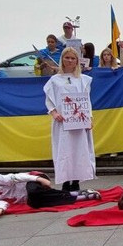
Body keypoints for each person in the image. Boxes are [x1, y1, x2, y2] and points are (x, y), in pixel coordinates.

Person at [43, 47, 96, 192]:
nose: (70, 61)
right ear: (62, 59)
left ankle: (77, 180)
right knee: (65, 150)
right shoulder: (54, 80)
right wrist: (54, 113)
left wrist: (89, 118)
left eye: (73, 58)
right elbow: (49, 99)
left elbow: (86, 100)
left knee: (79, 150)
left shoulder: (83, 80)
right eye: (67, 58)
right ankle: (66, 180)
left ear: (77, 61)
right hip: (63, 122)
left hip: (79, 122)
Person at [0, 171, 101, 218]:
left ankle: (77, 194)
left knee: (34, 194)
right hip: (31, 195)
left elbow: (13, 178)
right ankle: (81, 195)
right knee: (35, 201)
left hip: (31, 180)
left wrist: (39, 178)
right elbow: (0, 204)